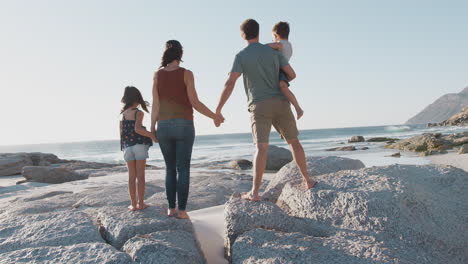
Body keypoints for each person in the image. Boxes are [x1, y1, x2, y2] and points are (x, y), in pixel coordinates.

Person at [216, 19, 316, 201]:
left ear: (242, 35)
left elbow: (230, 83)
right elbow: (292, 74)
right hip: (281, 102)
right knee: (294, 142)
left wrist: (218, 109)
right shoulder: (273, 51)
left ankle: (254, 193)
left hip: (259, 105)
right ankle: (307, 180)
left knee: (261, 148)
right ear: (258, 33)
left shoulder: (241, 56)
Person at [151, 40, 224, 219]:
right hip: (184, 125)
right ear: (180, 55)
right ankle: (182, 211)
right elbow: (195, 102)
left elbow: (155, 104)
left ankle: (171, 209)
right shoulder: (186, 74)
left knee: (169, 168)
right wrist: (214, 116)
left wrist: (153, 127)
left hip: (164, 126)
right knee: (183, 169)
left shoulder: (157, 75)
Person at [120, 86, 156, 211]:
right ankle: (141, 203)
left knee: (131, 177)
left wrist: (124, 147)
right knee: (140, 176)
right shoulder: (138, 113)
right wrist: (153, 136)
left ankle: (133, 205)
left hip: (127, 147)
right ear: (137, 98)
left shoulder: (123, 115)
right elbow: (138, 129)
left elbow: (122, 134)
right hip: (139, 146)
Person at [266, 21, 304, 120]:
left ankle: (298, 108)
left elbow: (270, 46)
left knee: (283, 88)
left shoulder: (280, 44)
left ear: (276, 35)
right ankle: (296, 107)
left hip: (281, 71)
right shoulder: (289, 44)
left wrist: (260, 47)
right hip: (283, 70)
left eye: (273, 37)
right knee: (282, 88)